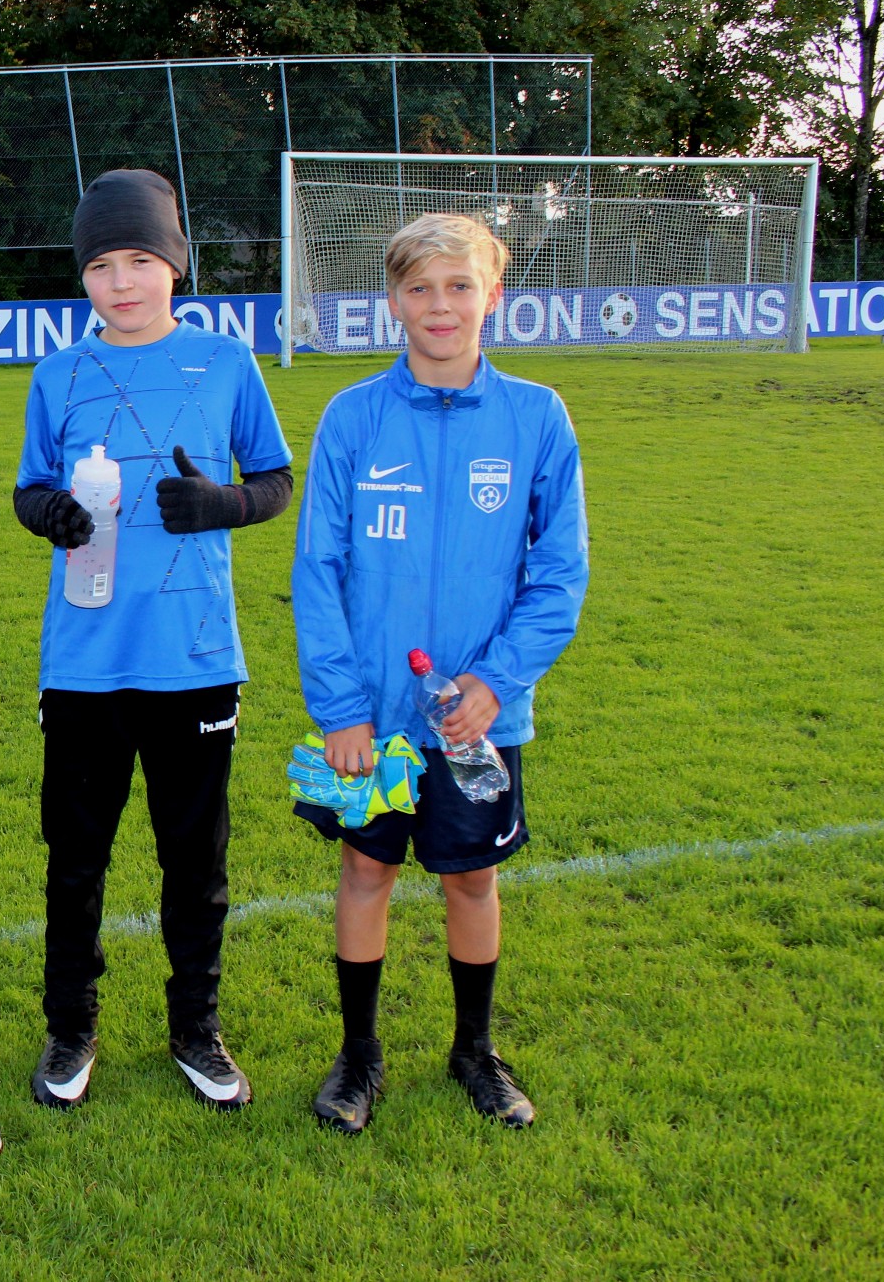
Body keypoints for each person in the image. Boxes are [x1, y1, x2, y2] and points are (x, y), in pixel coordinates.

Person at [290, 211, 588, 1133]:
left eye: (460, 285)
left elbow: (560, 573)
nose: (440, 304)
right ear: (394, 301)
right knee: (364, 870)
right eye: (419, 287)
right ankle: (359, 1054)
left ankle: (474, 1049)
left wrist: (496, 683)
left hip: (476, 720)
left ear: (492, 294)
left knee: (472, 880)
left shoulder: (536, 416)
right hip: (373, 717)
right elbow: (318, 569)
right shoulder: (354, 416)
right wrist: (341, 706)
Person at [12, 168, 294, 1113]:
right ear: (83, 276)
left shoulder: (225, 363)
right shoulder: (58, 374)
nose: (121, 281)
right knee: (75, 859)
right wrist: (48, 512)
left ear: (174, 263)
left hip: (195, 658)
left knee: (195, 863)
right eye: (101, 264)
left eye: (139, 259)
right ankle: (71, 1027)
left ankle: (195, 1028)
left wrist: (223, 503)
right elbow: (29, 488)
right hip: (85, 661)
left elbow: (275, 478)